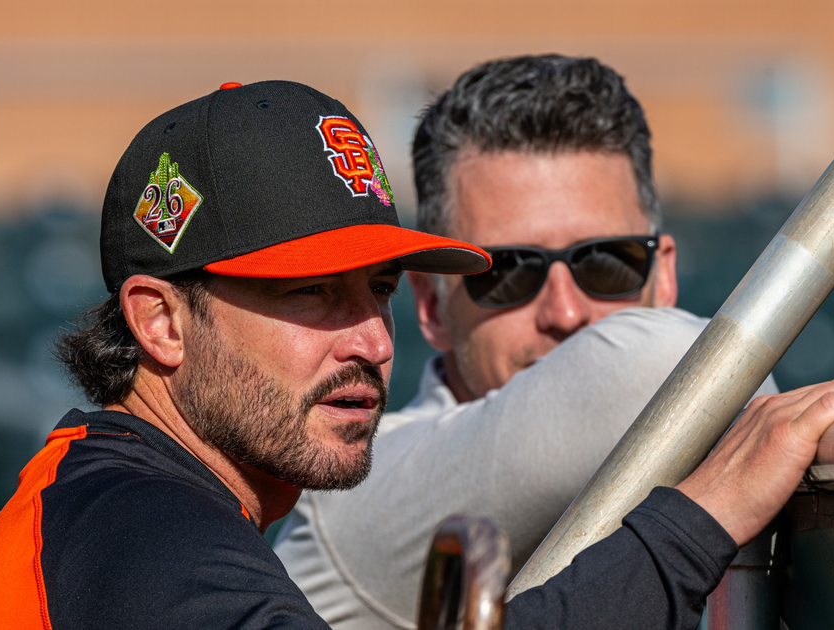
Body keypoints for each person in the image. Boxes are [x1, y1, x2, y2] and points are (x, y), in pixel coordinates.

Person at [0, 79, 834, 630]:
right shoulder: (141, 532)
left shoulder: (116, 500)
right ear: (161, 324)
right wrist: (698, 519)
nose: (367, 340)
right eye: (310, 294)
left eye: (378, 294)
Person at [273, 55, 781, 629]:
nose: (565, 312)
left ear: (662, 276)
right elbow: (659, 362)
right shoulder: (360, 490)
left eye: (607, 263)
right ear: (431, 304)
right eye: (508, 272)